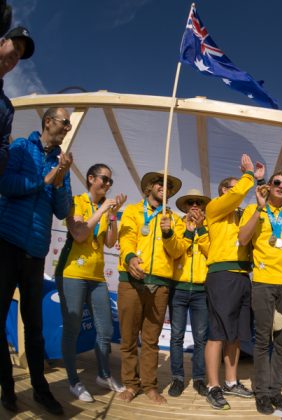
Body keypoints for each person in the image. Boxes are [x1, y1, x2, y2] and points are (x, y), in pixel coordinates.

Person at [0, 107, 73, 415]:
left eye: (70, 123)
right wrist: (45, 179)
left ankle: (41, 391)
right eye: (64, 121)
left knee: (35, 328)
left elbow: (61, 210)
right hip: (6, 243)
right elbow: (6, 185)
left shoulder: (61, 162)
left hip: (35, 252)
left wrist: (60, 180)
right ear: (48, 122)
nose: (68, 127)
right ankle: (7, 387)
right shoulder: (20, 148)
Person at [55, 164, 127, 402]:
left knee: (105, 329)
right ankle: (74, 381)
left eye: (110, 182)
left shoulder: (106, 208)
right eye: (104, 180)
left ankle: (103, 374)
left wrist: (113, 214)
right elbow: (79, 234)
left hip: (97, 276)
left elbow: (109, 242)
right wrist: (102, 210)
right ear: (91, 179)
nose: (107, 185)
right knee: (73, 328)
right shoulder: (77, 202)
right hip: (73, 273)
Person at [238, 170, 282, 415]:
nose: (280, 186)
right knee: (262, 339)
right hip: (264, 281)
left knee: (281, 341)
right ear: (269, 185)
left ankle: (275, 391)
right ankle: (262, 393)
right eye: (276, 182)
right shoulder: (253, 209)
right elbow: (243, 239)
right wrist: (259, 208)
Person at [117, 170, 188, 404]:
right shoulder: (132, 211)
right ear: (149, 188)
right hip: (132, 281)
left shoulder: (174, 218)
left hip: (160, 285)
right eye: (160, 183)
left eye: (168, 186)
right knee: (128, 338)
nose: (163, 188)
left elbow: (177, 251)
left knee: (151, 340)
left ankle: (149, 385)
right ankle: (130, 384)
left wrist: (168, 233)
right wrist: (129, 258)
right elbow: (126, 238)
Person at [204, 155, 263, 410]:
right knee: (217, 333)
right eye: (232, 187)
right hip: (221, 275)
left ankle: (231, 381)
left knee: (235, 335)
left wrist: (260, 183)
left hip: (242, 275)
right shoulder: (214, 209)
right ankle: (212, 386)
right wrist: (248, 176)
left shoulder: (242, 215)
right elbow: (237, 194)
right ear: (223, 192)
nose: (236, 190)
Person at [167, 189, 211, 398]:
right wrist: (187, 231)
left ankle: (200, 378)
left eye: (198, 202)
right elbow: (174, 251)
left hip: (201, 290)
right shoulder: (175, 223)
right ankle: (177, 378)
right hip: (178, 288)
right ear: (185, 206)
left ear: (203, 207)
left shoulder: (208, 226)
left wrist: (200, 229)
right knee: (176, 337)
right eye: (190, 202)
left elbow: (211, 252)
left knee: (201, 338)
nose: (195, 205)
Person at [0, 26, 35, 175]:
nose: (16, 54)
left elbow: (2, 147)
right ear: (2, 43)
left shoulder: (7, 108)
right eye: (16, 46)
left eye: (19, 54)